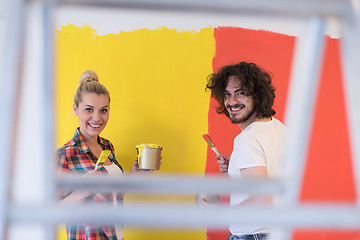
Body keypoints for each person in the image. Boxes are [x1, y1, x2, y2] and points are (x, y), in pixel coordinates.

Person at [57, 70, 151, 240]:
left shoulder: (107, 146)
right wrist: (82, 191)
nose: (97, 118)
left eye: (103, 110)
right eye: (89, 109)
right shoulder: (65, 155)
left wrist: (133, 177)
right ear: (75, 109)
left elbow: (112, 193)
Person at [205, 62, 286, 240]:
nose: (232, 102)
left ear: (257, 96)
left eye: (240, 93)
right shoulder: (279, 127)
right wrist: (235, 168)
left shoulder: (246, 140)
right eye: (227, 95)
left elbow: (262, 200)